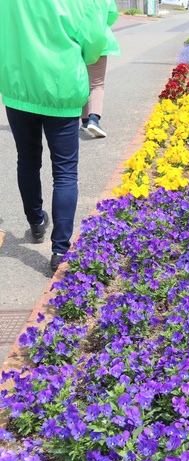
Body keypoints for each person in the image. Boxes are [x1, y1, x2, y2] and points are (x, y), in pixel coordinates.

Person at [0, 1, 108, 273]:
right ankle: (60, 248)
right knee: (65, 172)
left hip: (18, 85)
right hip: (61, 88)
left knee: (27, 159)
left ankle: (36, 223)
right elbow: (95, 45)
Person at [82, 0, 121, 139]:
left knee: (81, 80)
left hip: (76, 40)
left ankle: (85, 120)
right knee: (97, 84)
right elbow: (112, 14)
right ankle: (94, 119)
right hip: (99, 40)